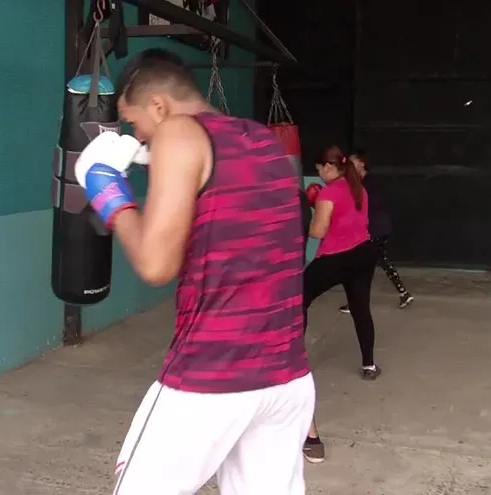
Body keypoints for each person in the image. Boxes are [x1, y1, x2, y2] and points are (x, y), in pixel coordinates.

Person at [73, 48, 314, 494]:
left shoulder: (178, 133)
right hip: (287, 379)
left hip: (212, 377)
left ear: (159, 106)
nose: (137, 137)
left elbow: (156, 265)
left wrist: (105, 187)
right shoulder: (263, 140)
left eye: (133, 123)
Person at [301, 146, 382, 464]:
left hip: (335, 258)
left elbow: (318, 232)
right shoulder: (357, 186)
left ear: (326, 168)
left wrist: (310, 212)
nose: (318, 173)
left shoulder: (328, 193)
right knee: (360, 306)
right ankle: (369, 364)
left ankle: (295, 357)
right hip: (363, 253)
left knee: (299, 297)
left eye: (320, 168)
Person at [338, 150, 413, 313]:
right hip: (377, 229)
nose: (348, 167)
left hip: (374, 230)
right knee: (380, 261)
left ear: (362, 164)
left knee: (359, 267)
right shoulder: (361, 184)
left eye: (352, 163)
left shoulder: (367, 185)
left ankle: (356, 303)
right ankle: (404, 293)